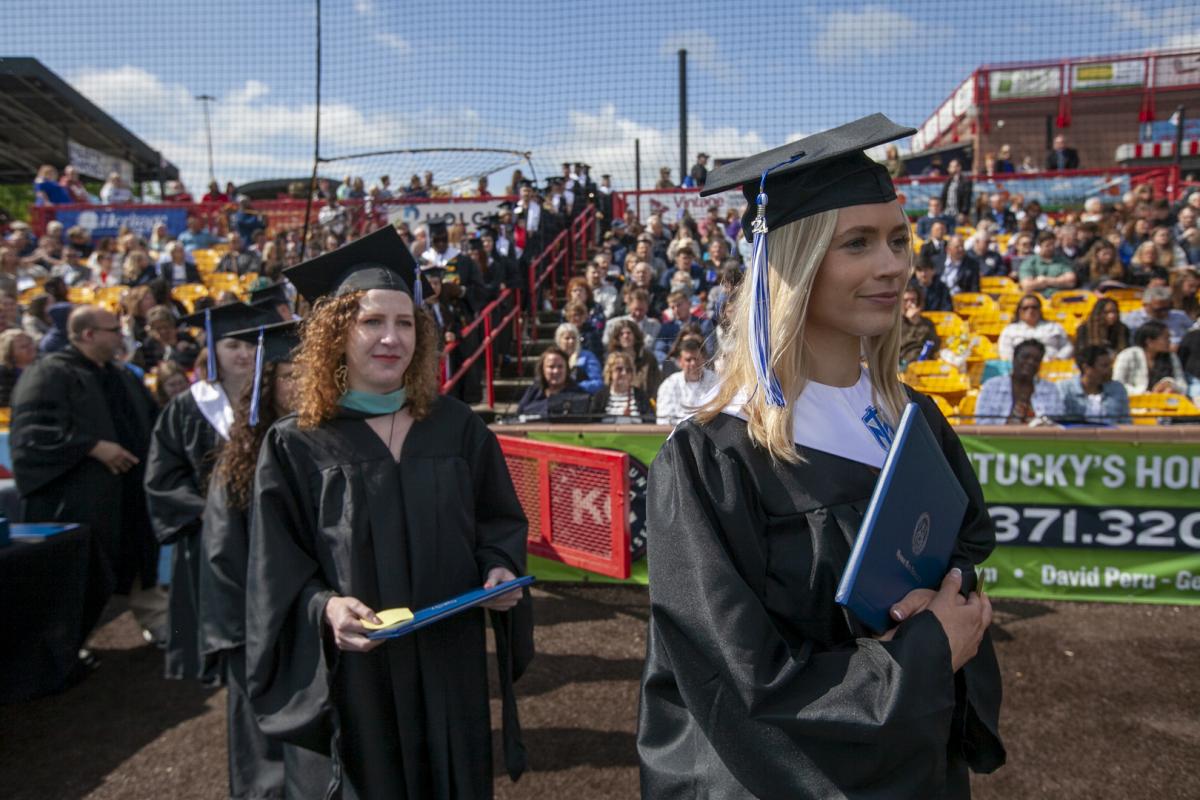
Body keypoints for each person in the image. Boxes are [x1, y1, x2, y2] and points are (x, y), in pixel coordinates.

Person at [638, 115, 1003, 798]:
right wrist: (925, 653)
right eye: (857, 243)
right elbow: (737, 680)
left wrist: (952, 597)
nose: (892, 264)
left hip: (912, 769)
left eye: (898, 239)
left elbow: (965, 545)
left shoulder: (913, 419)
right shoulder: (714, 457)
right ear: (794, 262)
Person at [245, 226, 533, 798]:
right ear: (336, 333)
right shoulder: (296, 444)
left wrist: (499, 565)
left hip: (450, 659)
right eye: (371, 322)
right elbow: (275, 569)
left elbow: (498, 521)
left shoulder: (458, 428)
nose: (391, 337)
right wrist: (325, 608)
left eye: (405, 323)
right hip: (359, 672)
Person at [200, 320, 330, 799]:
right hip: (263, 632)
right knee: (268, 763)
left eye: (307, 373)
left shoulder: (330, 447)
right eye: (287, 376)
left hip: (317, 623)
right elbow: (222, 556)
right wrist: (246, 639)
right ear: (265, 385)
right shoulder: (239, 467)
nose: (298, 386)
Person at [10, 306, 162, 644]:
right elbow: (33, 437)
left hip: (130, 495)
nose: (121, 335)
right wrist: (92, 446)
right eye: (113, 330)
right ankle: (69, 645)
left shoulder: (121, 375)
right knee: (80, 582)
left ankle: (157, 623)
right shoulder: (48, 374)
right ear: (88, 334)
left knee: (139, 564)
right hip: (81, 500)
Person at [145, 302, 277, 683]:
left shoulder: (272, 401)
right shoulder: (187, 408)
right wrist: (206, 511)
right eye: (233, 345)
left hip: (267, 528)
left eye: (252, 345)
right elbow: (162, 476)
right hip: (210, 535)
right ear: (213, 350)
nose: (245, 353)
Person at [975, 339, 1064, 423]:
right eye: (1025, 357)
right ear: (1014, 358)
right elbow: (981, 422)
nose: (1030, 362)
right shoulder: (991, 387)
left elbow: (1057, 422)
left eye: (1036, 360)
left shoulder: (1050, 389)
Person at [1058, 346, 1131, 424]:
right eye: (1104, 366)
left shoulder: (1118, 389)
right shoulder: (1063, 389)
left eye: (1110, 365)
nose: (1110, 370)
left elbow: (1126, 423)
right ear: (1086, 368)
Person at [1113, 320, 1188, 395]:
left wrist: (1170, 385)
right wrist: (1142, 393)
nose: (1169, 341)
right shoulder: (1127, 355)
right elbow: (1117, 384)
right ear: (1149, 342)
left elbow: (1182, 384)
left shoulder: (1171, 356)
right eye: (1165, 338)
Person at [654, 338, 717, 425]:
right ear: (680, 361)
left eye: (696, 359)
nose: (693, 363)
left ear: (703, 359)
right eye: (688, 360)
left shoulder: (717, 382)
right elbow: (663, 420)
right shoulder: (669, 384)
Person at [516, 345, 589, 419]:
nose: (556, 371)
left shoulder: (578, 393)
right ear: (542, 370)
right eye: (551, 367)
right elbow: (520, 413)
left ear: (567, 369)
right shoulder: (534, 390)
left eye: (560, 367)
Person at [998, 294, 1073, 361]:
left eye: (1034, 307)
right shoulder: (1010, 330)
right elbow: (1005, 352)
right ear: (1019, 311)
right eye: (1025, 308)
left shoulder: (1054, 327)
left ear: (1040, 310)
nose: (1030, 310)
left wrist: (1058, 358)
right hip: (1022, 369)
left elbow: (1068, 347)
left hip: (1052, 368)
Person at [588, 351, 651, 423]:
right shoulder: (600, 397)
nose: (624, 373)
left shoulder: (641, 396)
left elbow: (651, 423)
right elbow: (592, 422)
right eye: (619, 369)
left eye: (628, 370)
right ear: (610, 372)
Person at [606, 317, 662, 398]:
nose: (625, 336)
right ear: (617, 338)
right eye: (621, 334)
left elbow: (656, 384)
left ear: (635, 336)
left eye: (629, 333)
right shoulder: (612, 359)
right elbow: (608, 382)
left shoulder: (648, 358)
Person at [1122, 285, 1193, 346]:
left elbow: (1194, 334)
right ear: (1145, 305)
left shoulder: (1179, 316)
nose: (1164, 313)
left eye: (1167, 308)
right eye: (1159, 310)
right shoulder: (1132, 319)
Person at [1020, 231, 1076, 297]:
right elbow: (1027, 286)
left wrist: (1046, 281)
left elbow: (1071, 282)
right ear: (1040, 246)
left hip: (1060, 298)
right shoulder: (1030, 262)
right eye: (1047, 245)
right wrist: (1060, 281)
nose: (1051, 248)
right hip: (1037, 299)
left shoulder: (1063, 261)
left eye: (1053, 244)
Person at [899, 284, 941, 368]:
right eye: (906, 300)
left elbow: (935, 344)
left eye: (913, 300)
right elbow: (902, 345)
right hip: (903, 363)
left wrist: (917, 323)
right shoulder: (895, 323)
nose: (910, 304)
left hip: (926, 365)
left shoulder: (926, 323)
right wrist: (913, 326)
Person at [556, 322, 602, 393]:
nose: (571, 341)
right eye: (567, 338)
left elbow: (598, 383)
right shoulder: (553, 357)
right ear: (559, 340)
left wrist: (576, 386)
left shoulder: (587, 357)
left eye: (574, 338)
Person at [0, 329, 36, 406]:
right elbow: (4, 400)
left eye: (30, 343)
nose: (30, 348)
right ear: (10, 352)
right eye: (23, 347)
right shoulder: (3, 373)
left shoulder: (43, 366)